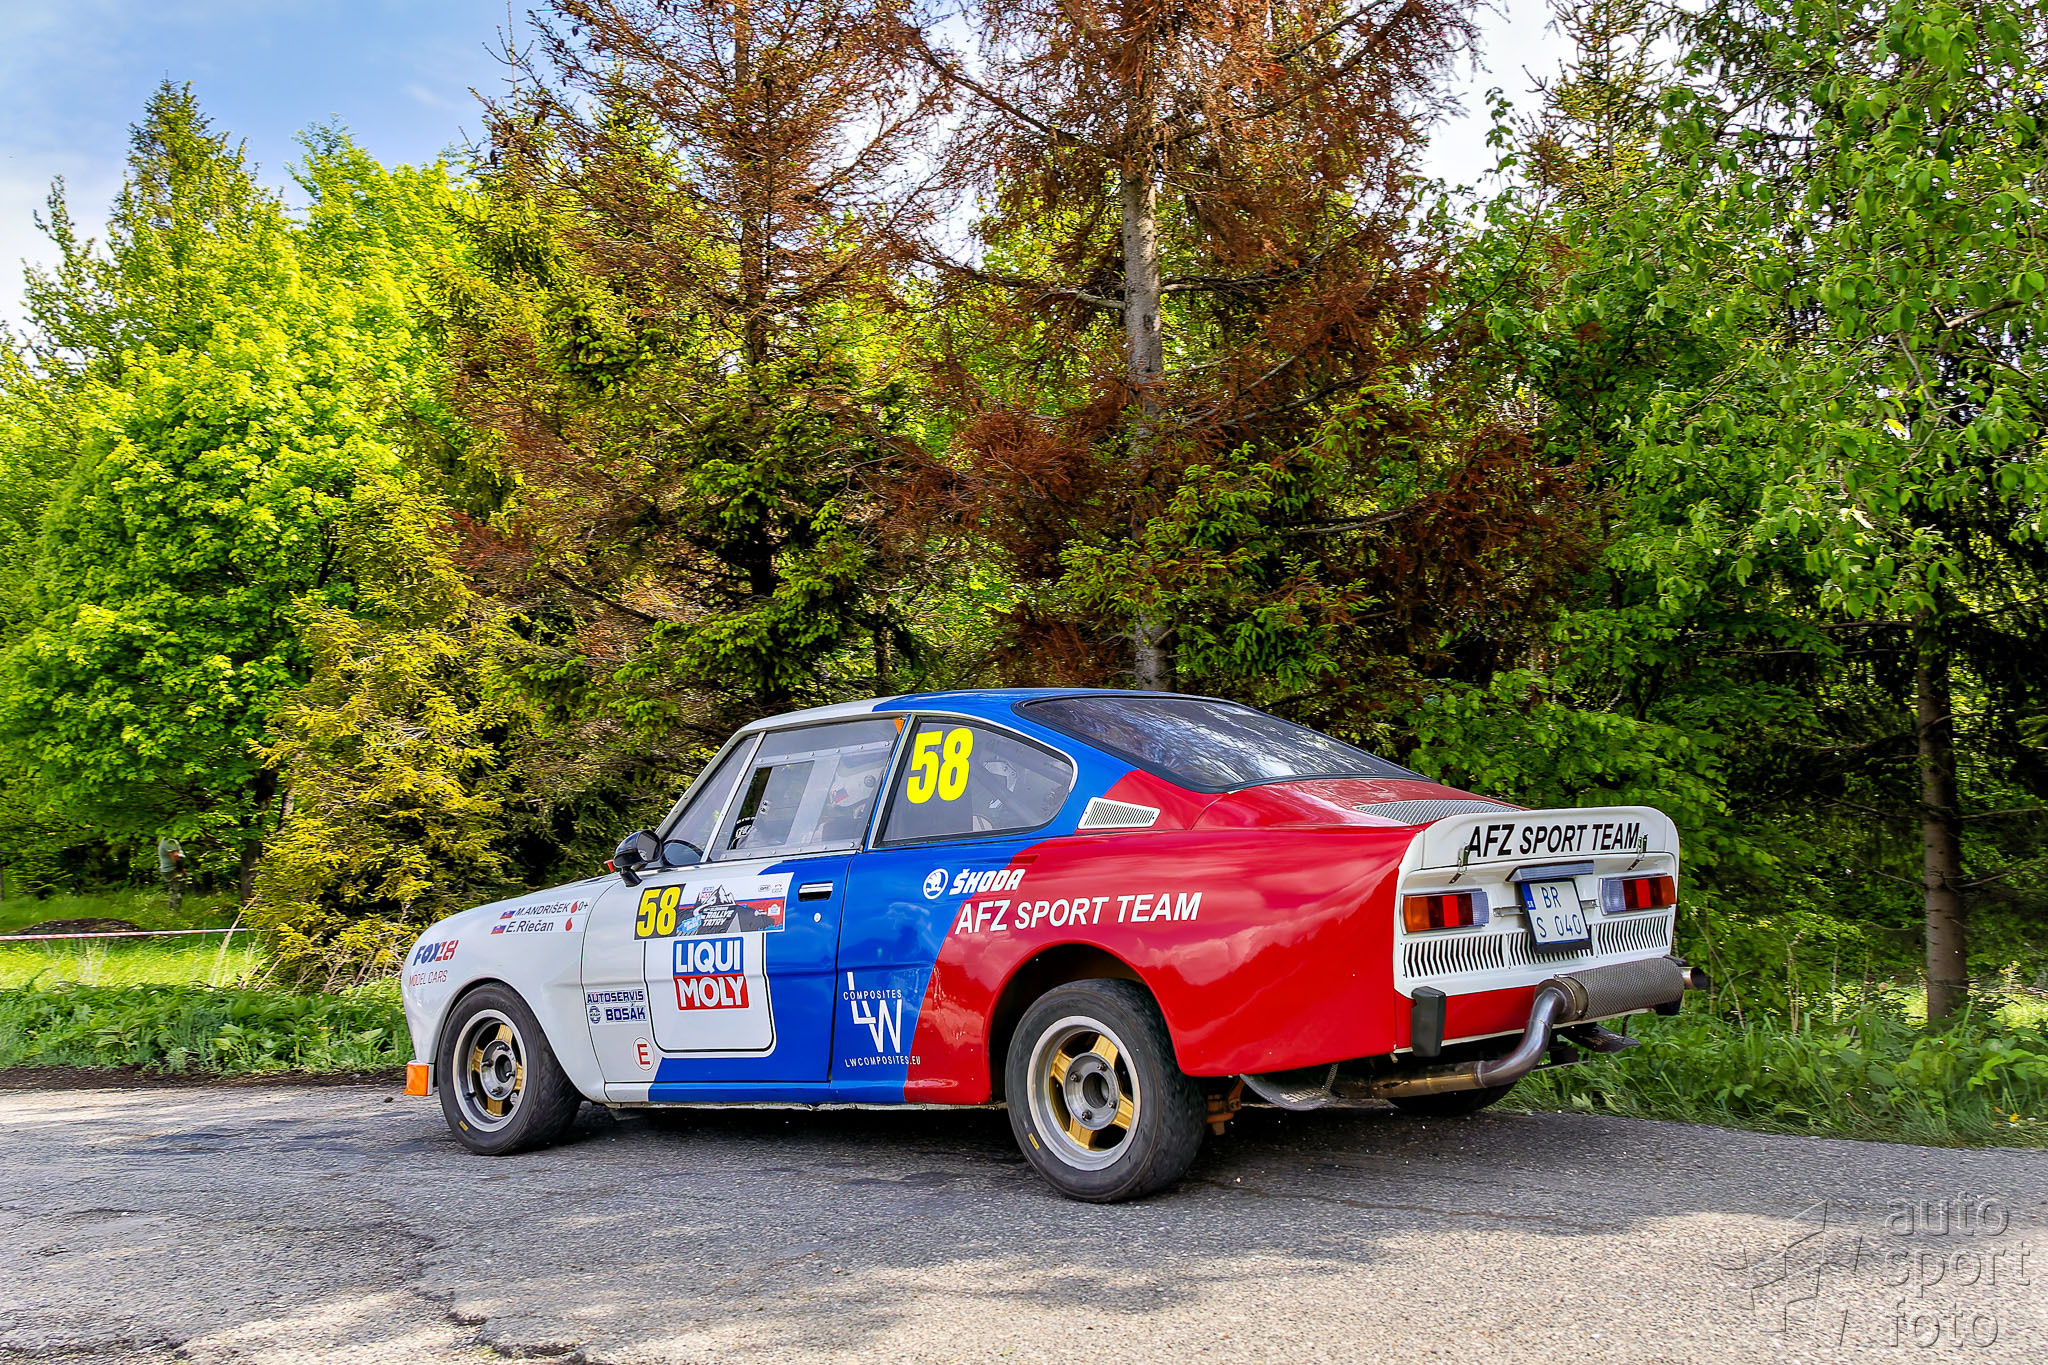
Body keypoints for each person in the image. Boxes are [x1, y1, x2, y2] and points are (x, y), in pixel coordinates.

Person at [157, 835, 185, 912]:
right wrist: (181, 868)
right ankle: (174, 911)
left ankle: (173, 910)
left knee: (174, 890)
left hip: (168, 869)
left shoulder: (166, 840)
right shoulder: (169, 841)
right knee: (176, 891)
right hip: (172, 869)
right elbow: (175, 856)